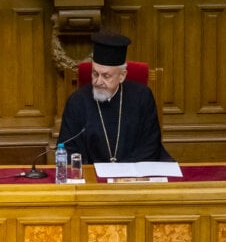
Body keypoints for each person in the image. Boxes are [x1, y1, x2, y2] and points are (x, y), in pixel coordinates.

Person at [58, 32, 171, 163]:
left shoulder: (142, 97)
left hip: (133, 177)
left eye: (106, 76)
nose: (98, 82)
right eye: (95, 74)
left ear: (122, 76)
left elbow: (150, 146)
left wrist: (124, 176)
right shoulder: (77, 101)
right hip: (92, 178)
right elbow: (69, 149)